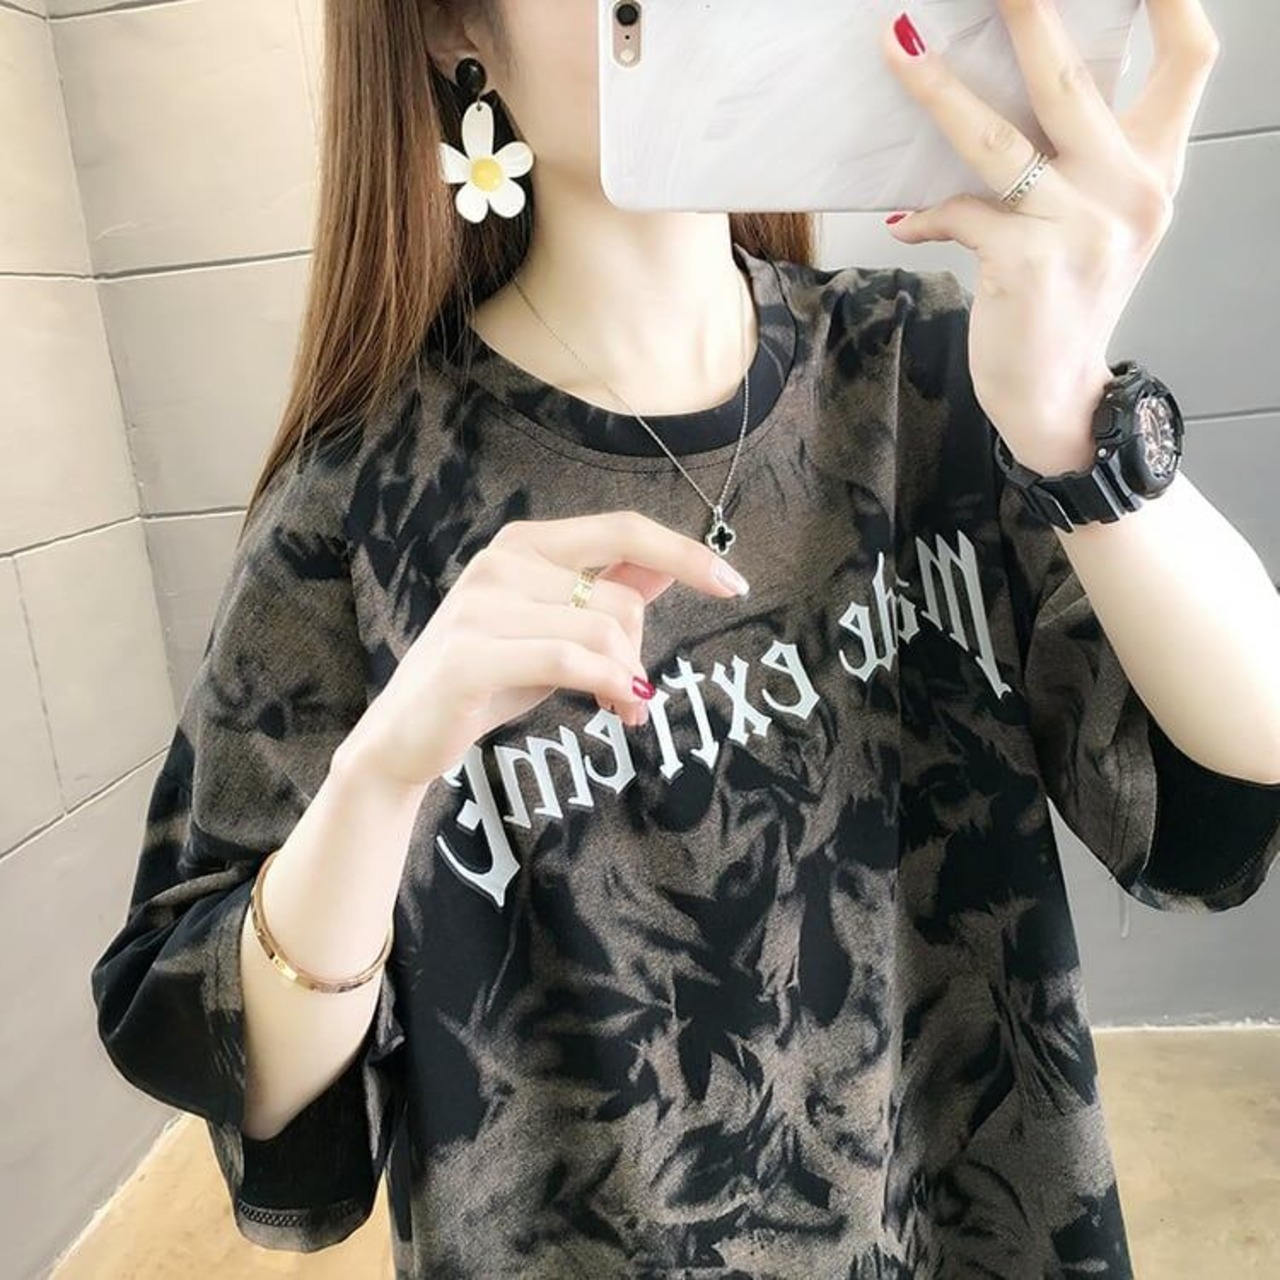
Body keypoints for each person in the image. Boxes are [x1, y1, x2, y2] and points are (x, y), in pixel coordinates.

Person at [90, 3, 1280, 1277]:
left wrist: (1072, 425)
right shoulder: (357, 506)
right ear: (452, 31)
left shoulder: (930, 363)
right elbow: (256, 1091)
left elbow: (1212, 801)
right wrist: (378, 781)